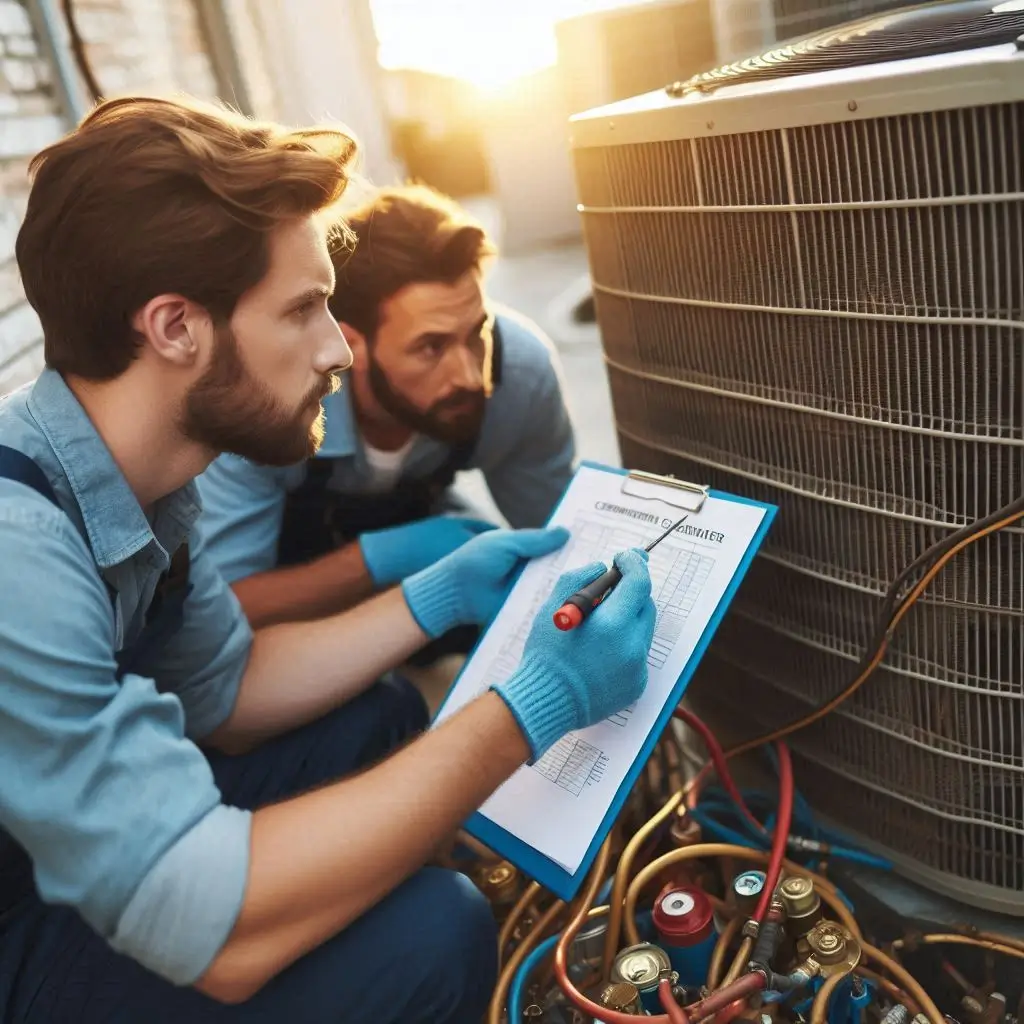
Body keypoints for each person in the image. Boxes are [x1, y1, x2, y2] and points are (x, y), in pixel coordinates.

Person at [0, 95, 656, 1024]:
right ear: (175, 328)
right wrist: (533, 707)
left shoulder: (148, 483)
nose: (333, 353)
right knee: (431, 938)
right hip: (12, 932)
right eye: (305, 309)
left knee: (379, 712)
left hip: (51, 857)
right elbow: (213, 937)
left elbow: (228, 689)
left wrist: (430, 597)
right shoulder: (15, 555)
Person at [195, 184, 577, 633]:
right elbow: (220, 612)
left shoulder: (520, 376)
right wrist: (379, 559)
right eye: (430, 347)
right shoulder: (270, 398)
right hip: (284, 583)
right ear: (350, 344)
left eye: (476, 333)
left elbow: (563, 542)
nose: (470, 376)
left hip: (424, 535)